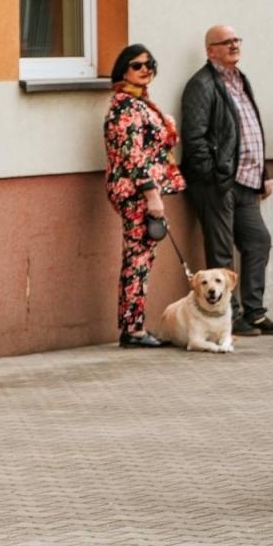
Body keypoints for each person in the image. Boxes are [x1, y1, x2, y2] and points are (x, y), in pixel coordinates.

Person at [181, 25, 273, 336]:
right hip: (220, 184)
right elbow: (195, 138)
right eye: (225, 42)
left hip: (247, 181)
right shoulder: (202, 85)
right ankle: (230, 315)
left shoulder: (240, 80)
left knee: (259, 241)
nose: (233, 45)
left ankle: (254, 313)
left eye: (236, 40)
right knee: (221, 253)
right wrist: (214, 178)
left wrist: (263, 175)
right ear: (210, 50)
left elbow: (249, 130)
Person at [104, 45, 186, 348]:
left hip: (141, 190)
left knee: (141, 259)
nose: (145, 69)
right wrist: (152, 197)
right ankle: (133, 330)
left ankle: (133, 326)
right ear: (122, 70)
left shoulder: (141, 103)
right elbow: (134, 156)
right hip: (136, 192)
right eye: (137, 65)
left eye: (149, 64)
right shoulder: (124, 107)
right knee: (137, 261)